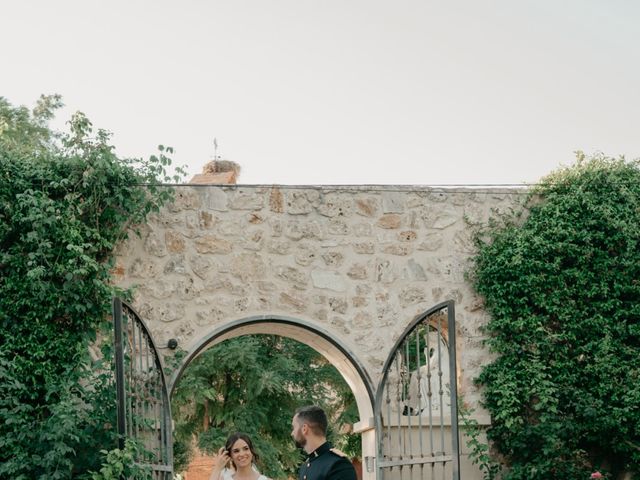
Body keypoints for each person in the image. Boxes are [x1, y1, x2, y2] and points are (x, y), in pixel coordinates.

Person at [291, 405, 357, 480]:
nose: (292, 433)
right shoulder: (305, 467)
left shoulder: (338, 465)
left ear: (304, 429)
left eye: (294, 427)